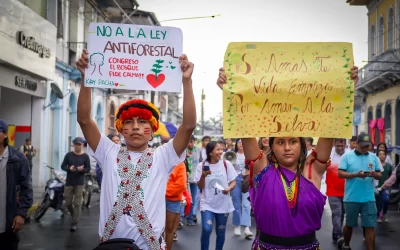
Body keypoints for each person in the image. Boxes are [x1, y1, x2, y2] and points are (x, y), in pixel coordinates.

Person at [216, 65, 359, 249]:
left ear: (302, 145)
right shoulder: (262, 169)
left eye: (293, 141)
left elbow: (329, 126)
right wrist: (231, 92)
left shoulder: (311, 169)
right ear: (272, 147)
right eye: (280, 142)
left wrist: (346, 90)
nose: (287, 148)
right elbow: (245, 127)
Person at [75, 49, 196, 250]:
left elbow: (189, 126)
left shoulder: (163, 156)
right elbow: (84, 119)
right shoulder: (108, 152)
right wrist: (86, 78)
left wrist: (187, 82)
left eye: (142, 121)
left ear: (153, 129)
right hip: (110, 247)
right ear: (121, 128)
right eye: (129, 122)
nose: (136, 127)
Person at [338, 133, 381, 250]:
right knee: (349, 225)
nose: (365, 148)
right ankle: (346, 244)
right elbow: (340, 173)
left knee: (370, 226)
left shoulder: (374, 157)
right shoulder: (347, 157)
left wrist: (375, 174)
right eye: (362, 146)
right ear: (356, 144)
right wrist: (355, 175)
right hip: (352, 198)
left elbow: (379, 175)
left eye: (367, 146)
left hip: (369, 198)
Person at [195, 141, 237, 250]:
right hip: (207, 203)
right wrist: (203, 176)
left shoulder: (226, 164)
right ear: (210, 152)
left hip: (223, 204)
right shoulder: (202, 166)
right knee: (206, 229)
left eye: (221, 149)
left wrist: (229, 188)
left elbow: (233, 182)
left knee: (221, 231)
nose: (220, 152)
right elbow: (200, 186)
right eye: (218, 149)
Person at [0, 119, 33, 250]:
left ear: (5, 135)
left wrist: (21, 213)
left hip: (8, 223)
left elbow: (27, 188)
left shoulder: (18, 159)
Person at [61, 136, 91, 231]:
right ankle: (74, 214)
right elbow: (63, 166)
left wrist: (83, 170)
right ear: (74, 145)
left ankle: (74, 222)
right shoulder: (69, 155)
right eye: (76, 144)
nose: (78, 146)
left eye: (80, 144)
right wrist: (68, 168)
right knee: (68, 202)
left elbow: (88, 168)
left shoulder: (85, 156)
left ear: (82, 145)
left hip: (79, 182)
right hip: (69, 181)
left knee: (77, 203)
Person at [231, 139, 253, 238]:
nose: (241, 144)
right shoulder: (232, 154)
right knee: (236, 203)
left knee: (246, 204)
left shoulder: (249, 154)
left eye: (242, 142)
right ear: (236, 144)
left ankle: (247, 227)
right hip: (235, 179)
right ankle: (237, 225)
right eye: (239, 142)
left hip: (246, 179)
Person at [165, 162, 187, 249]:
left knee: (169, 230)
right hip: (158, 200)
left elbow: (181, 186)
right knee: (159, 228)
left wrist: (161, 190)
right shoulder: (159, 160)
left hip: (173, 200)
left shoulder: (180, 164)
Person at [375, 150, 392, 223]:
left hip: (386, 187)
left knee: (386, 200)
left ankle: (384, 213)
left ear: (385, 155)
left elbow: (391, 177)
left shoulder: (389, 166)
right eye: (380, 154)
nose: (382, 155)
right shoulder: (376, 165)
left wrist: (390, 187)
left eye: (383, 154)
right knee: (378, 202)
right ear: (377, 156)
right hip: (377, 187)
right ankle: (378, 215)